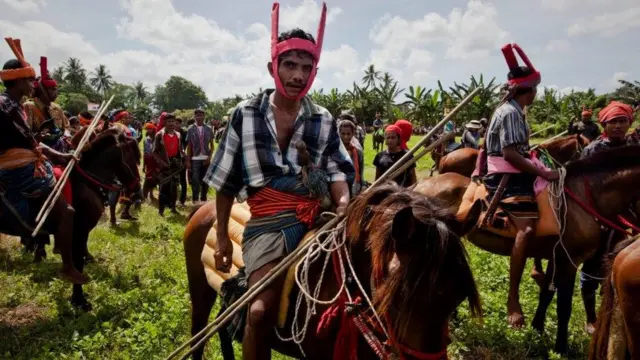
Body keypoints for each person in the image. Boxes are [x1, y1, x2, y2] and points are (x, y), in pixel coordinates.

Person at [204, 6, 354, 357]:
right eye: (290, 65)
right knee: (259, 312)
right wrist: (224, 237)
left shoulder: (324, 119)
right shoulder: (245, 113)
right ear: (273, 68)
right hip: (269, 224)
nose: (298, 75)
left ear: (315, 71)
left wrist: (344, 204)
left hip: (323, 218)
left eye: (307, 67)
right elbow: (226, 182)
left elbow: (337, 171)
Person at [482, 43, 559, 328]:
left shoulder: (514, 109)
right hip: (507, 176)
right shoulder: (512, 112)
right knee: (526, 229)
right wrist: (547, 174)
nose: (536, 95)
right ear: (528, 91)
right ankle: (512, 298)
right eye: (535, 90)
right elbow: (510, 154)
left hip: (516, 169)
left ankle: (542, 267)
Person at [0, 38, 87, 284]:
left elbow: (33, 144)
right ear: (17, 81)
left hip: (35, 164)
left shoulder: (15, 105)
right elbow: (31, 141)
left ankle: (66, 262)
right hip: (21, 171)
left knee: (67, 211)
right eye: (29, 80)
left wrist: (63, 154)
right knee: (67, 213)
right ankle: (65, 262)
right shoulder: (5, 106)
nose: (33, 84)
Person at [577, 100, 636, 334]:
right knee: (594, 267)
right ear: (605, 125)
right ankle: (591, 318)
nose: (619, 126)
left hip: (631, 217)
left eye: (622, 121)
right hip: (601, 217)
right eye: (613, 122)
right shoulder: (593, 151)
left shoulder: (634, 147)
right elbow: (582, 186)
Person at [23, 56, 69, 152]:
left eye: (56, 89)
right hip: (41, 152)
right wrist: (42, 136)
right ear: (42, 90)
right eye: (53, 89)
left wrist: (67, 136)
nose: (56, 92)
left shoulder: (57, 108)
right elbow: (27, 135)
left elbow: (66, 127)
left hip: (61, 148)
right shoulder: (29, 106)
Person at [153, 113, 184, 216]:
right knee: (163, 188)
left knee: (174, 187)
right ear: (164, 122)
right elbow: (154, 152)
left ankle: (173, 208)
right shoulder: (160, 135)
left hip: (175, 165)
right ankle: (161, 211)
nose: (171, 123)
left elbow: (180, 150)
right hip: (164, 166)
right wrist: (162, 163)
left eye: (173, 121)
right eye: (169, 121)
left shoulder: (178, 134)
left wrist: (184, 159)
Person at [373, 123, 417, 187]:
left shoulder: (407, 156)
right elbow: (377, 179)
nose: (390, 140)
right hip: (385, 193)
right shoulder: (379, 156)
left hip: (404, 193)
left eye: (393, 138)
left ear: (398, 139)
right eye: (388, 137)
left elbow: (413, 178)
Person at [186, 108, 214, 202]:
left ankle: (203, 199)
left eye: (201, 115)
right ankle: (195, 200)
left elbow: (212, 146)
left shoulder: (209, 129)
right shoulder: (191, 129)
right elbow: (189, 146)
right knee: (195, 180)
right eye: (197, 115)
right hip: (195, 158)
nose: (199, 116)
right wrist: (188, 160)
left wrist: (209, 158)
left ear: (204, 116)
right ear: (194, 116)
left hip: (206, 158)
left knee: (206, 180)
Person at [338, 119, 366, 196]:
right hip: (338, 188)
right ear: (339, 133)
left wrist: (363, 185)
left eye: (348, 134)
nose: (346, 137)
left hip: (355, 188)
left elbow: (361, 172)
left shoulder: (358, 152)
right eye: (343, 134)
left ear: (353, 134)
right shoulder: (334, 151)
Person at [142, 122, 158, 202]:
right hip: (148, 160)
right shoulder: (146, 140)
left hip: (156, 160)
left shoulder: (158, 138)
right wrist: (144, 164)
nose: (148, 130)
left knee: (154, 177)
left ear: (154, 129)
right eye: (147, 129)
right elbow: (145, 152)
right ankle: (144, 194)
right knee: (148, 177)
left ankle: (151, 193)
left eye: (150, 128)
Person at [176, 117, 188, 206]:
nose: (175, 125)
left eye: (177, 123)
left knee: (183, 180)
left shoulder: (184, 133)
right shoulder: (168, 132)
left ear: (180, 124)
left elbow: (186, 146)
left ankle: (182, 200)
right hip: (172, 158)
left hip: (182, 157)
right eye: (174, 123)